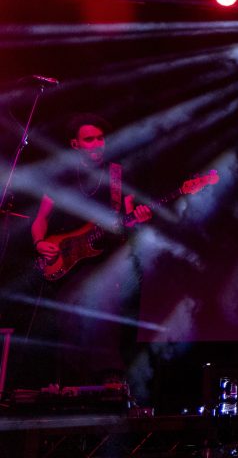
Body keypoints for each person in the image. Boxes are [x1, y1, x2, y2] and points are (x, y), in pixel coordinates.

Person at [24, 113, 151, 388]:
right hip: (65, 259)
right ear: (75, 144)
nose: (96, 143)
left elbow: (126, 217)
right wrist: (39, 243)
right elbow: (40, 219)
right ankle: (71, 387)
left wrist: (136, 219)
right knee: (69, 322)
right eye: (89, 139)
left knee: (102, 315)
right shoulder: (62, 176)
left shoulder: (118, 174)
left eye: (100, 138)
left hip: (103, 261)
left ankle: (110, 380)